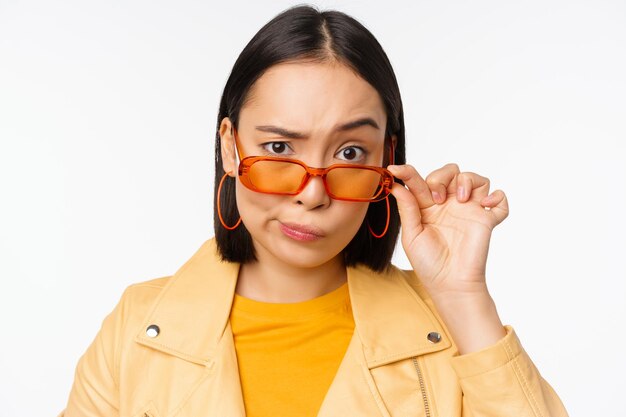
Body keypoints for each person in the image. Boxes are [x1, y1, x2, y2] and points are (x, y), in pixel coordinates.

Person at [59, 5, 569, 417]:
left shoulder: (448, 329)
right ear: (231, 148)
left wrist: (462, 298)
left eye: (350, 153)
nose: (312, 193)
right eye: (280, 148)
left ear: (386, 161)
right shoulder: (138, 328)